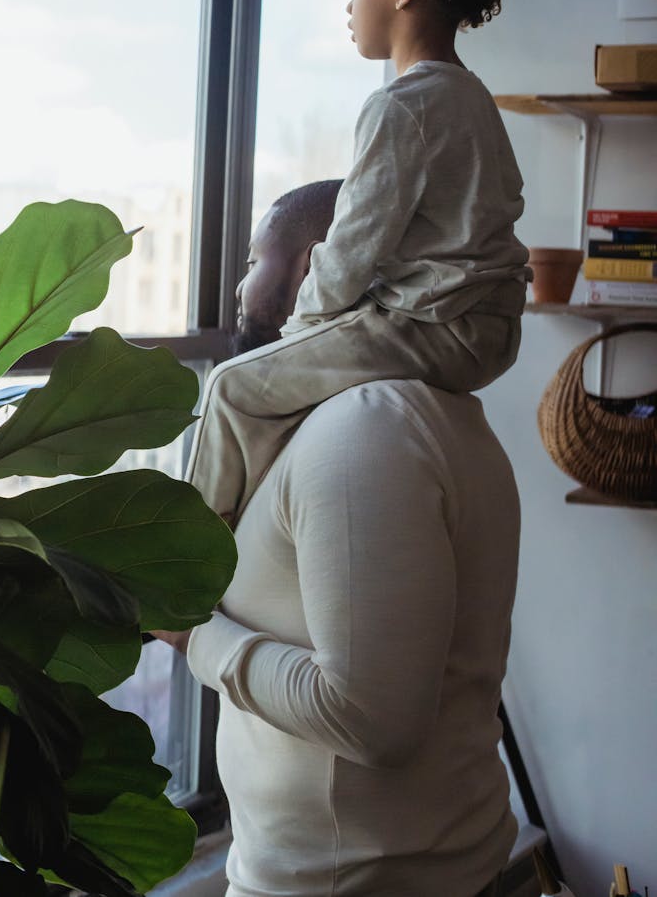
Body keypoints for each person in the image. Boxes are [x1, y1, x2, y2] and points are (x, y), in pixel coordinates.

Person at [154, 181, 521, 897]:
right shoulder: (409, 414)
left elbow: (372, 720)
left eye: (255, 258)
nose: (238, 284)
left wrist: (193, 637)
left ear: (312, 266)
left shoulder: (363, 430)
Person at [187, 0, 531, 525]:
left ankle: (174, 595)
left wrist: (292, 338)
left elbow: (349, 251)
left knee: (233, 384)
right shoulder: (475, 100)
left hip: (434, 326)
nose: (349, 4)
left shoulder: (400, 105)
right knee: (274, 382)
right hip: (490, 330)